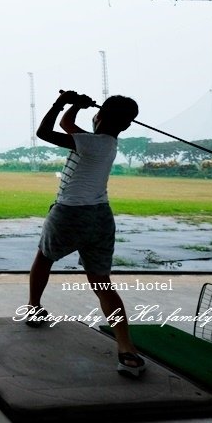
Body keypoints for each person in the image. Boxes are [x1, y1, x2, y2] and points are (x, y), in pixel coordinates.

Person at [24, 89, 146, 378]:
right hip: (101, 218)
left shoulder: (91, 143)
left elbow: (45, 132)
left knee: (43, 258)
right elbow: (68, 126)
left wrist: (60, 102)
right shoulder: (107, 142)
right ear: (126, 125)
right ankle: (126, 348)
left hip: (69, 213)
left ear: (99, 116)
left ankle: (34, 307)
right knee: (102, 282)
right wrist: (75, 107)